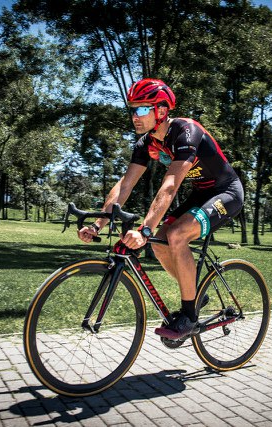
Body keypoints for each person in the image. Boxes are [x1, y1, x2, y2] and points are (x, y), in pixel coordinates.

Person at [78, 78, 244, 340]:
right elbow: (125, 185)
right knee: (159, 243)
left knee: (176, 235)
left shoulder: (186, 132)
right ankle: (194, 295)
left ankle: (189, 317)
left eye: (142, 109)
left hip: (227, 192)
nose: (135, 116)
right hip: (201, 193)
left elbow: (169, 186)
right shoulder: (146, 144)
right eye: (133, 109)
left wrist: (145, 229)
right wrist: (98, 224)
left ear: (162, 110)